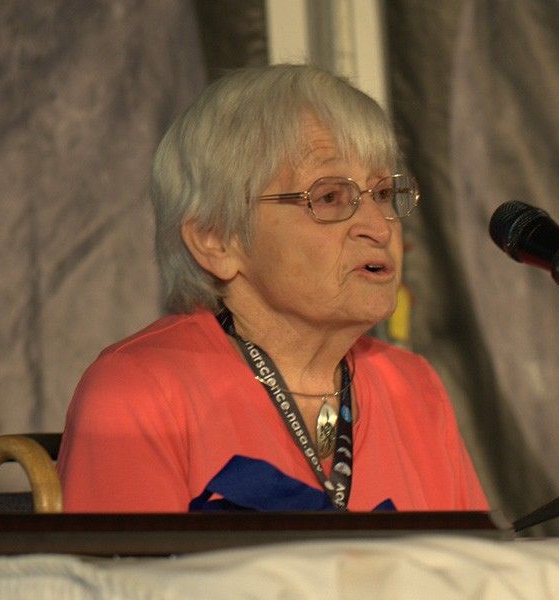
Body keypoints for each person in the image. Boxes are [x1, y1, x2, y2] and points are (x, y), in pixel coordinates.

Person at [57, 64, 488, 512]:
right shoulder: (139, 391)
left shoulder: (412, 387)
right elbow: (129, 584)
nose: (379, 227)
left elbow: (474, 579)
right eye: (328, 198)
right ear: (215, 238)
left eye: (383, 194)